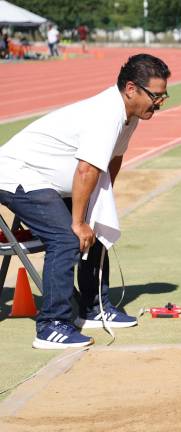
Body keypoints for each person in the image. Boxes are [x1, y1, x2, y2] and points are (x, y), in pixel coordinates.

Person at [0, 54, 171, 349]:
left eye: (164, 96)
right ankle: (51, 326)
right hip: (19, 175)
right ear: (131, 89)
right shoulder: (106, 115)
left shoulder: (129, 116)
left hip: (49, 181)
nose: (160, 103)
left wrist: (98, 205)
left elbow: (114, 159)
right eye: (156, 96)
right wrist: (78, 222)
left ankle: (93, 309)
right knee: (67, 238)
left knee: (96, 225)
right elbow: (86, 169)